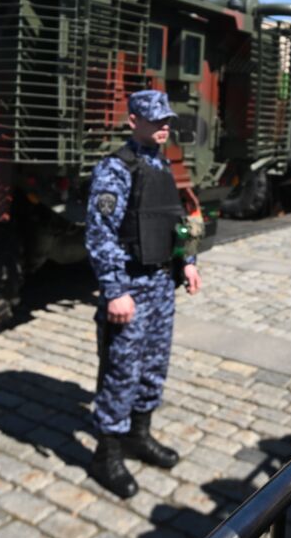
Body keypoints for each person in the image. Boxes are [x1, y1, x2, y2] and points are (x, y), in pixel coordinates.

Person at [84, 89, 203, 498]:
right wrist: (115, 290)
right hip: (131, 288)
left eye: (167, 119)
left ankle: (140, 434)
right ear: (133, 120)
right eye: (156, 120)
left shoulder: (163, 165)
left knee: (153, 366)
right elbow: (100, 234)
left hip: (160, 287)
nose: (164, 126)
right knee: (121, 371)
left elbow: (180, 219)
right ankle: (107, 453)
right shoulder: (114, 170)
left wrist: (188, 260)